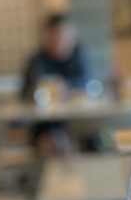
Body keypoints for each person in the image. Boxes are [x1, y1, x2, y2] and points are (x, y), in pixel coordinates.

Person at [20, 13, 91, 155]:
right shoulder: (37, 60)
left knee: (93, 138)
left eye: (63, 36)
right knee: (50, 141)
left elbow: (86, 84)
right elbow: (25, 93)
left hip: (78, 121)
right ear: (47, 37)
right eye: (54, 36)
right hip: (46, 124)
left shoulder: (79, 56)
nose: (59, 41)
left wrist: (66, 87)